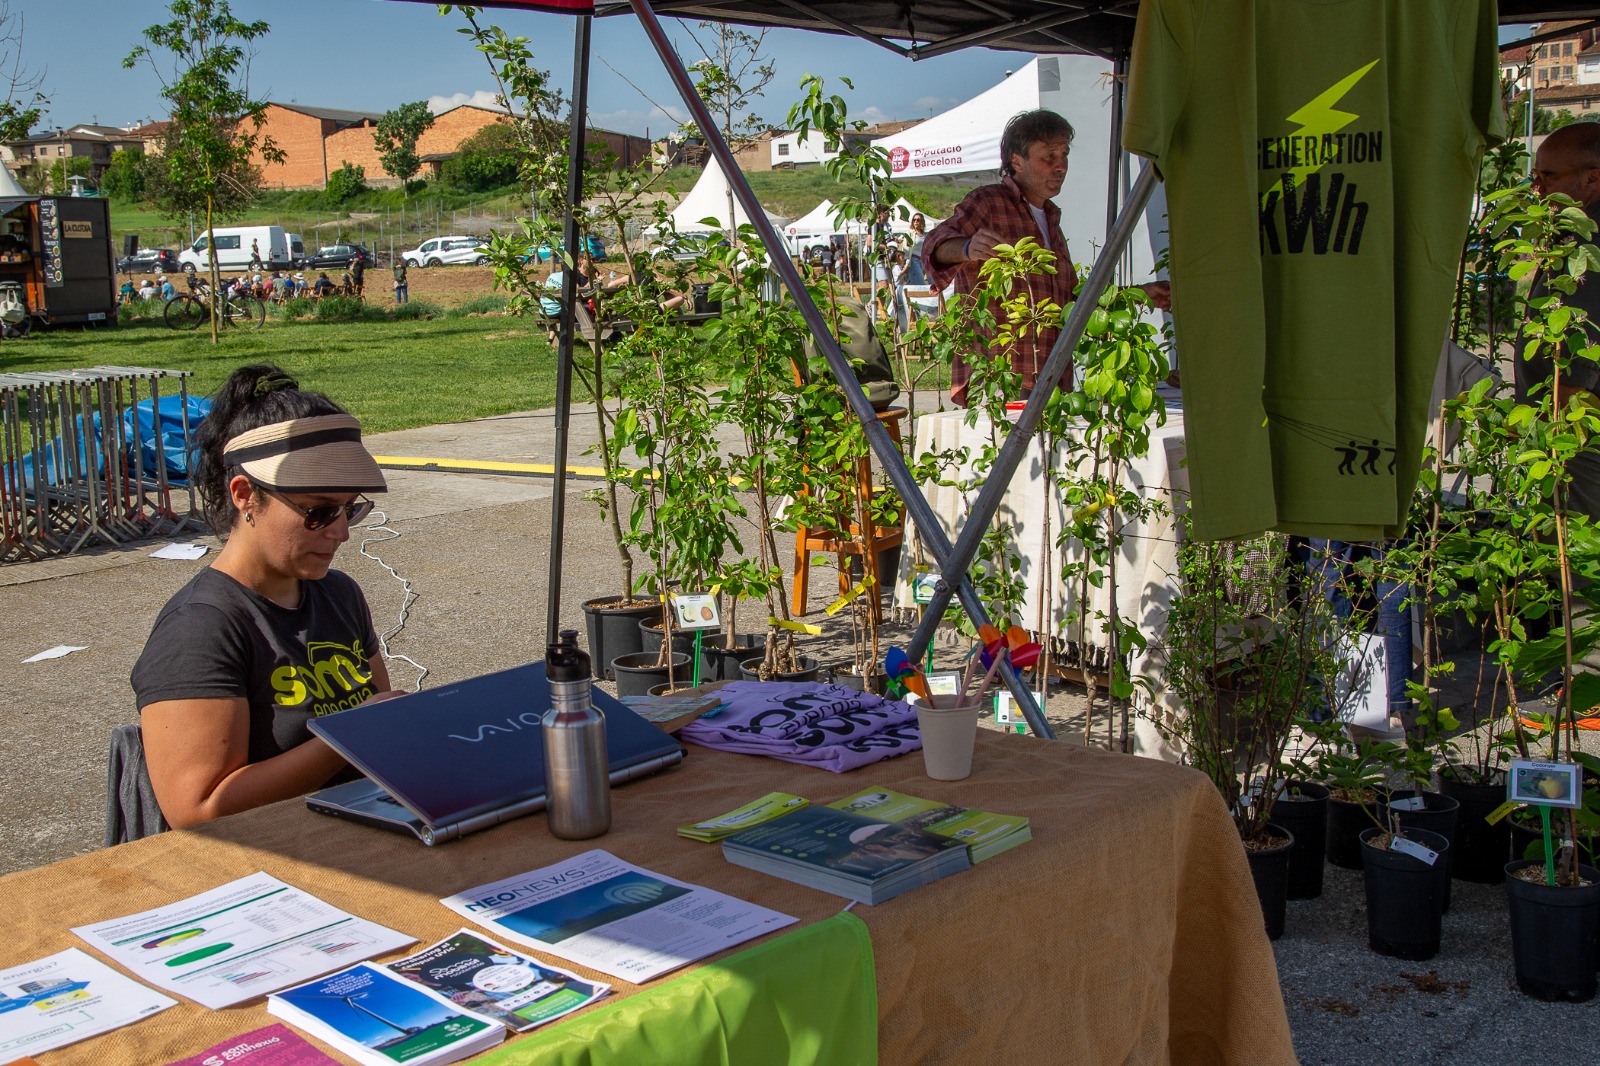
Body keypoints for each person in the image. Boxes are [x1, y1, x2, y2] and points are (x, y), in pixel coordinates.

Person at [131, 365, 397, 828]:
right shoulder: (201, 626)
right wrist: (346, 739)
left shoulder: (339, 593)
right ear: (244, 495)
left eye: (351, 508)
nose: (341, 532)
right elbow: (198, 810)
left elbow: (381, 718)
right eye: (319, 512)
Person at [924, 109, 1171, 406]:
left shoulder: (1050, 219)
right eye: (1049, 157)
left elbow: (1071, 303)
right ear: (1017, 161)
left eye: (1064, 155)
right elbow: (933, 246)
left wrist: (1135, 295)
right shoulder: (989, 201)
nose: (1061, 166)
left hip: (1050, 382)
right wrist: (965, 248)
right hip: (999, 380)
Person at [1522, 121, 1600, 520]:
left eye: (1549, 176)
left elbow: (1577, 364)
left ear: (1592, 178)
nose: (1539, 189)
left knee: (1567, 560)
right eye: (1536, 177)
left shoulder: (1588, 249)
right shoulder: (1573, 236)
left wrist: (1551, 440)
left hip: (1575, 448)